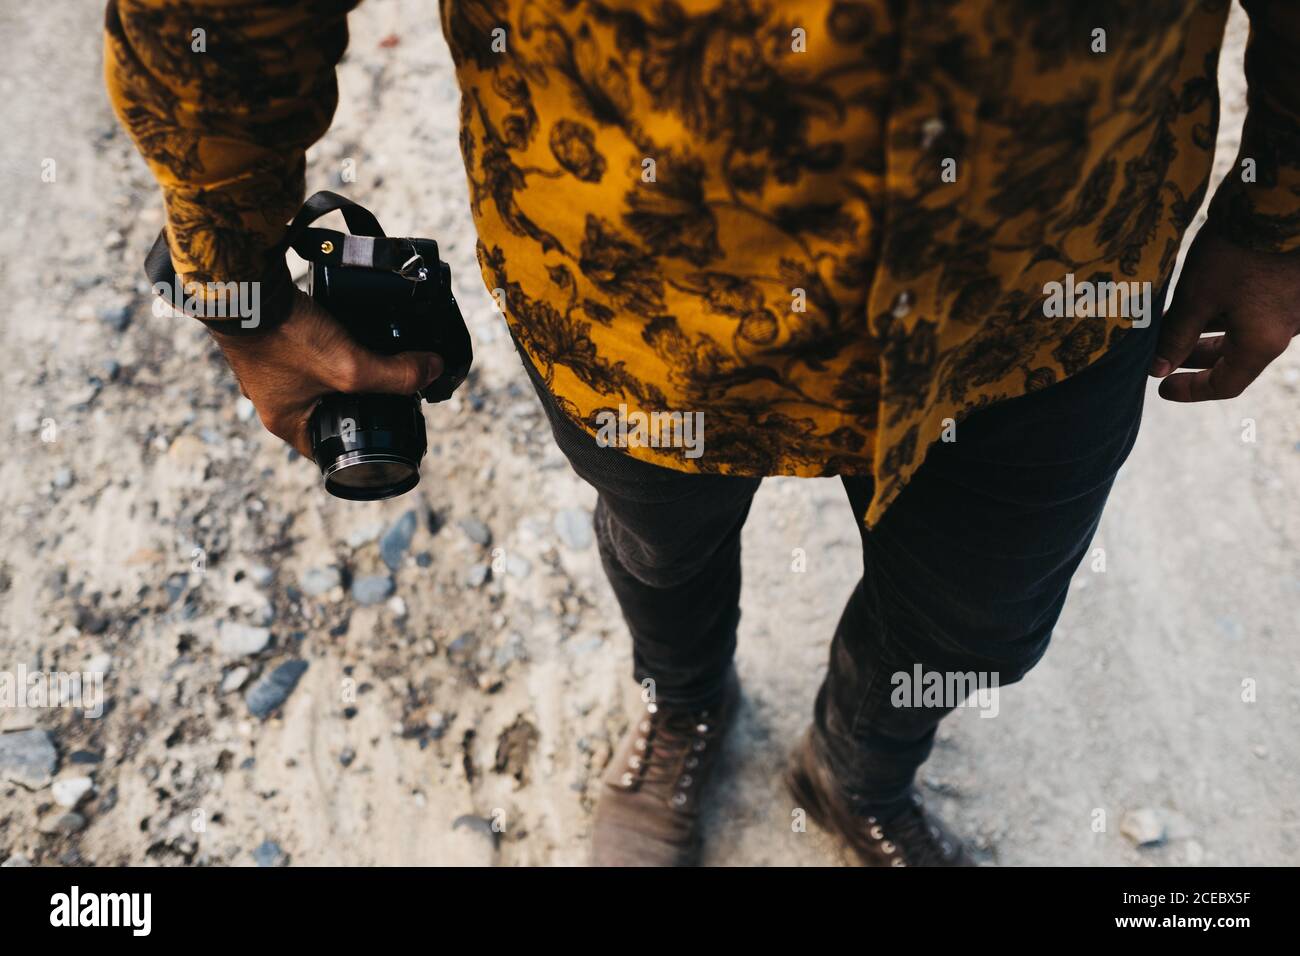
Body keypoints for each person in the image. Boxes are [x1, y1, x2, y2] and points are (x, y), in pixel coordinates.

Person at [106, 0, 1300, 866]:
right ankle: (683, 702)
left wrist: (1282, 212)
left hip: (1046, 285)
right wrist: (235, 274)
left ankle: (859, 770)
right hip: (634, 295)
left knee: (978, 610)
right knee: (658, 543)